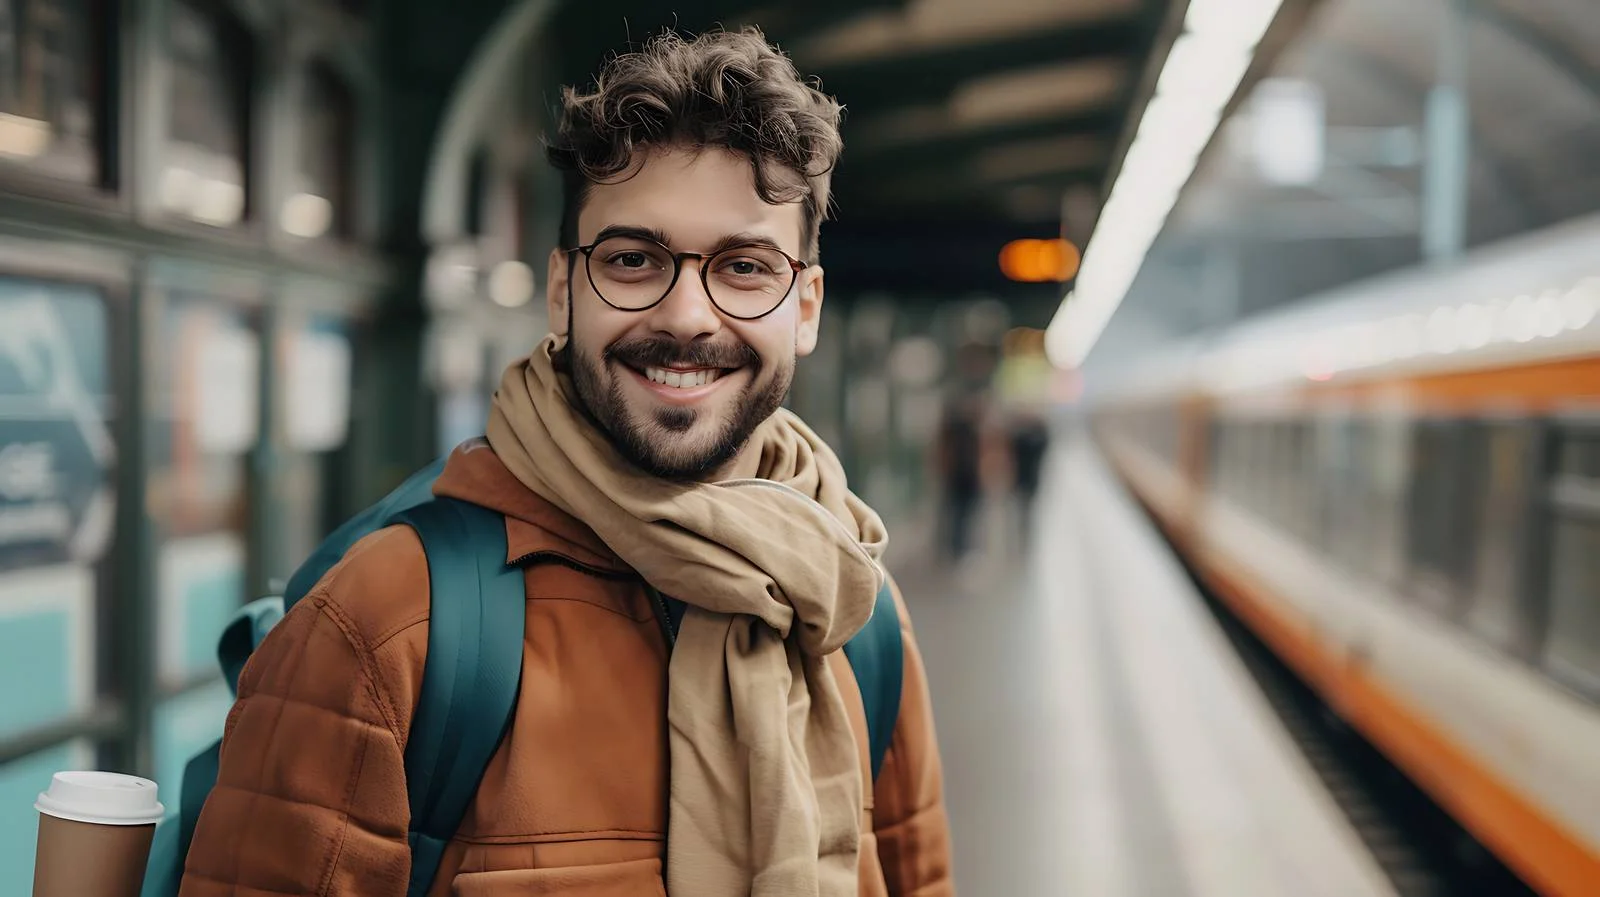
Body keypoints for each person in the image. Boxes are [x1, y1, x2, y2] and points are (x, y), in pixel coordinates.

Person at [177, 26, 954, 897]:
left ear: (804, 306)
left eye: (744, 266)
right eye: (632, 259)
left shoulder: (859, 612)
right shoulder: (391, 622)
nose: (689, 315)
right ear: (562, 289)